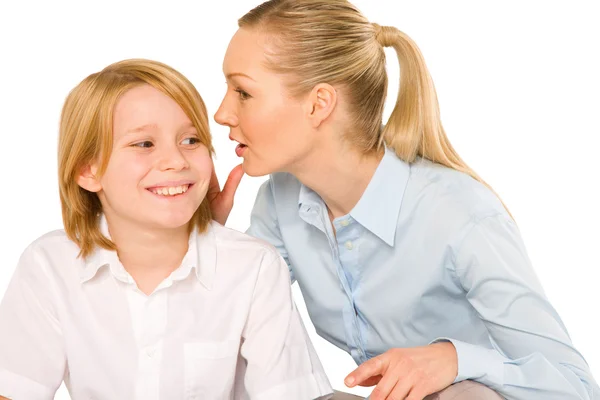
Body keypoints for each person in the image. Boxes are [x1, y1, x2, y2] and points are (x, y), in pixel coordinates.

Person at [209, 0, 600, 399]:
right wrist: (205, 239)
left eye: (243, 92)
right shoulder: (280, 200)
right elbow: (227, 336)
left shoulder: (458, 216)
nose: (221, 113)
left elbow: (575, 387)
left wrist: (455, 359)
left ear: (318, 103)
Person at [0, 59, 333, 400]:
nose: (177, 160)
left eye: (191, 140)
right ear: (88, 170)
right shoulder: (49, 265)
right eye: (144, 144)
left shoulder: (253, 268)